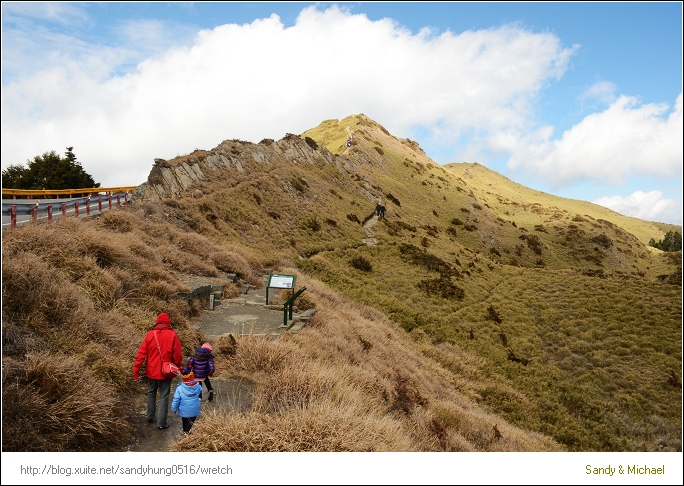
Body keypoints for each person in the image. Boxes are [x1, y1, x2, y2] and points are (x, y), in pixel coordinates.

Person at [132, 312, 182, 430]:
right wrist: (178, 367)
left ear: (157, 322)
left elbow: (141, 353)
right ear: (168, 323)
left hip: (151, 370)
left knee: (151, 391)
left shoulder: (150, 334)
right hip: (166, 372)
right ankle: (161, 423)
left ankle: (150, 416)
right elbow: (178, 354)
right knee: (164, 395)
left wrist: (136, 369)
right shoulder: (172, 335)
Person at [171, 368, 202, 434]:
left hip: (184, 410)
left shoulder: (179, 388)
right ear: (192, 377)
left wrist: (174, 408)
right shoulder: (197, 385)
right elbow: (200, 390)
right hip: (194, 409)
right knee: (190, 422)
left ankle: (185, 431)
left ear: (183, 379)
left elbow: (176, 400)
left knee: (184, 420)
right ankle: (186, 432)